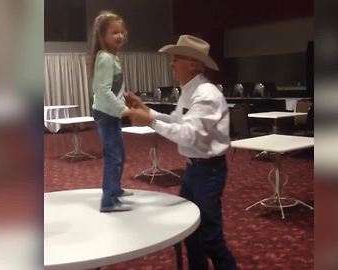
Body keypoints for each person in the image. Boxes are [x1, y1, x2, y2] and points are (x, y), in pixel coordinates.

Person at [124, 35, 237, 269]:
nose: (171, 64)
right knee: (192, 233)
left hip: (208, 172)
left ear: (193, 63)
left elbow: (187, 134)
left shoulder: (206, 94)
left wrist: (149, 122)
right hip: (195, 169)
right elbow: (177, 120)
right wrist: (148, 111)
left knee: (210, 237)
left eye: (176, 59)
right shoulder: (190, 90)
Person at [88, 11, 133, 213]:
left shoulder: (112, 57)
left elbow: (113, 89)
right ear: (102, 35)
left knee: (119, 154)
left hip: (110, 113)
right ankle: (108, 201)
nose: (120, 36)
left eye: (122, 32)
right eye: (115, 32)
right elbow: (102, 90)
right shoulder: (105, 58)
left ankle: (115, 189)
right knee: (113, 157)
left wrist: (124, 99)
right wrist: (122, 109)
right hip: (106, 114)